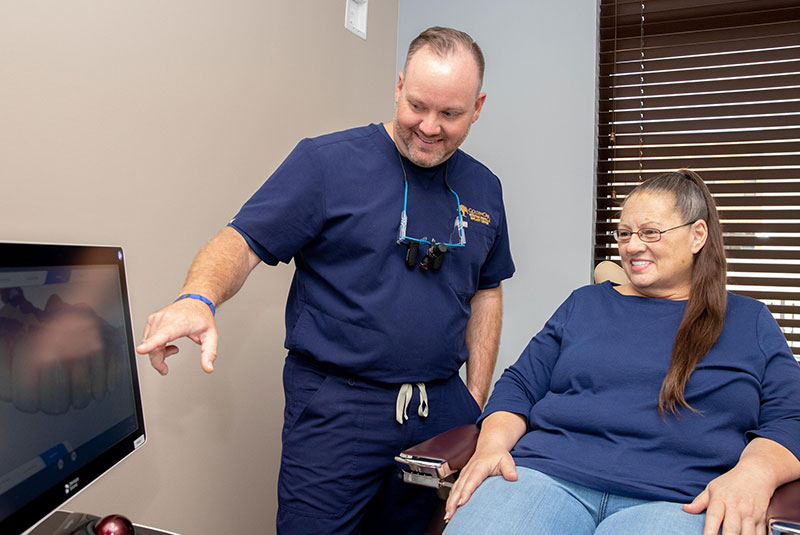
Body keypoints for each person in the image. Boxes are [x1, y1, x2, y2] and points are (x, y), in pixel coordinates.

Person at [135, 26, 515, 535]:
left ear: (478, 106)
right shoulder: (325, 162)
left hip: (440, 407)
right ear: (399, 86)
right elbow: (241, 241)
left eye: (450, 114)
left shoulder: (484, 188)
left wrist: (473, 399)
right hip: (340, 405)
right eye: (418, 105)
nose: (429, 127)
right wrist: (197, 297)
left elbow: (488, 288)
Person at [442, 170, 800, 535]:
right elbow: (519, 385)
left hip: (678, 500)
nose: (631, 246)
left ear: (697, 235)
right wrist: (491, 446)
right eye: (625, 234)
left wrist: (754, 474)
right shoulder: (585, 303)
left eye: (650, 233)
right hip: (543, 476)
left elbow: (791, 419)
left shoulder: (748, 321)